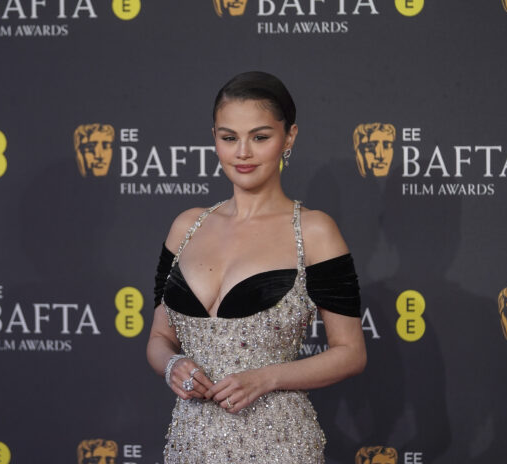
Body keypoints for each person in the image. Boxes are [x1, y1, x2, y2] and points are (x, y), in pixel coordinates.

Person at [146, 71, 366, 463]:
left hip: (278, 445)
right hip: (191, 445)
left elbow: (351, 352)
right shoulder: (186, 226)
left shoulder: (314, 231)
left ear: (289, 138)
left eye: (260, 137)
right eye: (229, 137)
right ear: (214, 137)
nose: (242, 152)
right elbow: (159, 338)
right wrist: (173, 366)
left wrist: (267, 377)